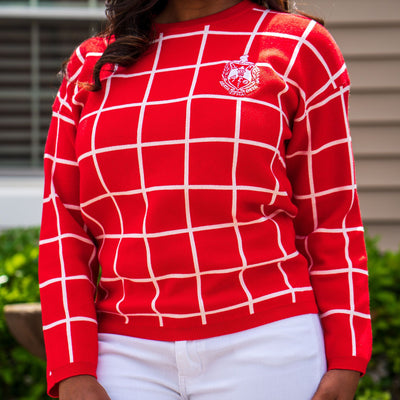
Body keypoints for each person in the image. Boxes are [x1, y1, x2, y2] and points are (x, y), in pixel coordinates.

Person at [38, 0, 372, 399]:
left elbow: (330, 216)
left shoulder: (299, 46)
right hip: (124, 354)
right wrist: (71, 367)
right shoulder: (91, 66)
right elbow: (64, 228)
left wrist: (347, 358)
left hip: (270, 346)